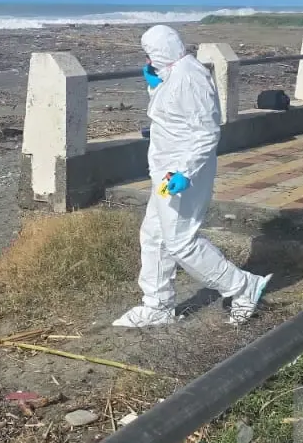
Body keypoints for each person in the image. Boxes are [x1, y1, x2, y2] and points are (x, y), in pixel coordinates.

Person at [114, 25, 272, 328]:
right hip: (165, 173)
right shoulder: (173, 72)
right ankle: (157, 305)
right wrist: (155, 85)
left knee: (180, 242)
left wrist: (185, 171)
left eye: (149, 53)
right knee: (155, 235)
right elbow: (170, 113)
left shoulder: (190, 76)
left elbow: (206, 130)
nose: (147, 59)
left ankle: (243, 286)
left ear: (162, 50)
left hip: (182, 173)